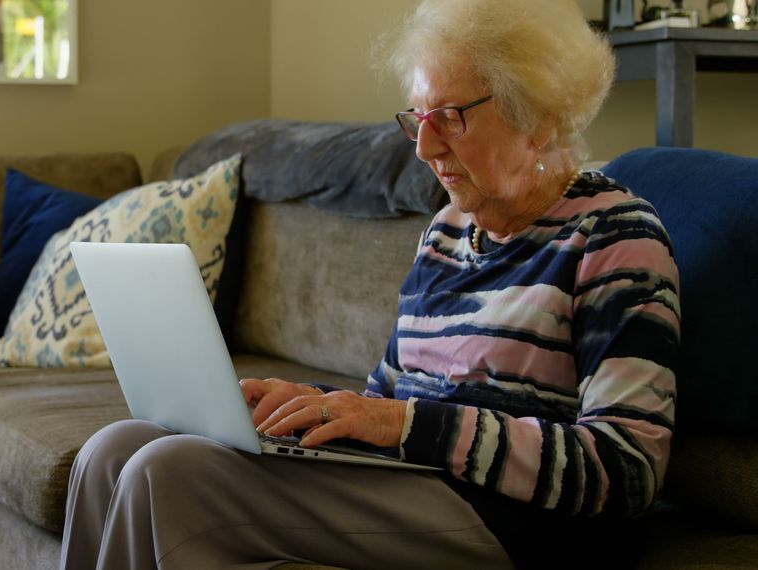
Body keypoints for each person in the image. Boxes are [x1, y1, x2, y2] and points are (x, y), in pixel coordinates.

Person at [60, 0, 680, 567]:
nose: (425, 146)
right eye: (419, 117)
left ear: (540, 118)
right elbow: (389, 396)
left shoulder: (614, 237)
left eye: (451, 117)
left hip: (509, 522)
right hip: (410, 483)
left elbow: (625, 470)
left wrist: (403, 423)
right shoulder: (445, 232)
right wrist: (304, 404)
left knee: (170, 472)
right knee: (113, 449)